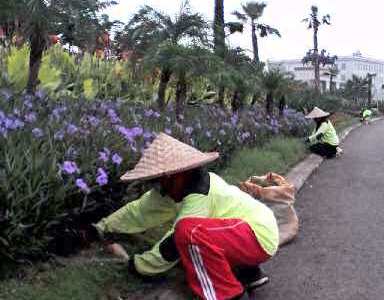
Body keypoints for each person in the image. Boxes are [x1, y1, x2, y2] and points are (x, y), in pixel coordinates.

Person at [90, 133, 279, 300]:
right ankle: (246, 272)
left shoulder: (199, 194)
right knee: (193, 237)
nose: (157, 187)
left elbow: (171, 244)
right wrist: (102, 227)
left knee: (188, 233)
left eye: (159, 181)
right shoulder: (173, 188)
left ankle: (228, 294)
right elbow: (138, 211)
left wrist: (138, 266)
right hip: (242, 233)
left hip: (258, 235)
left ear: (176, 175)